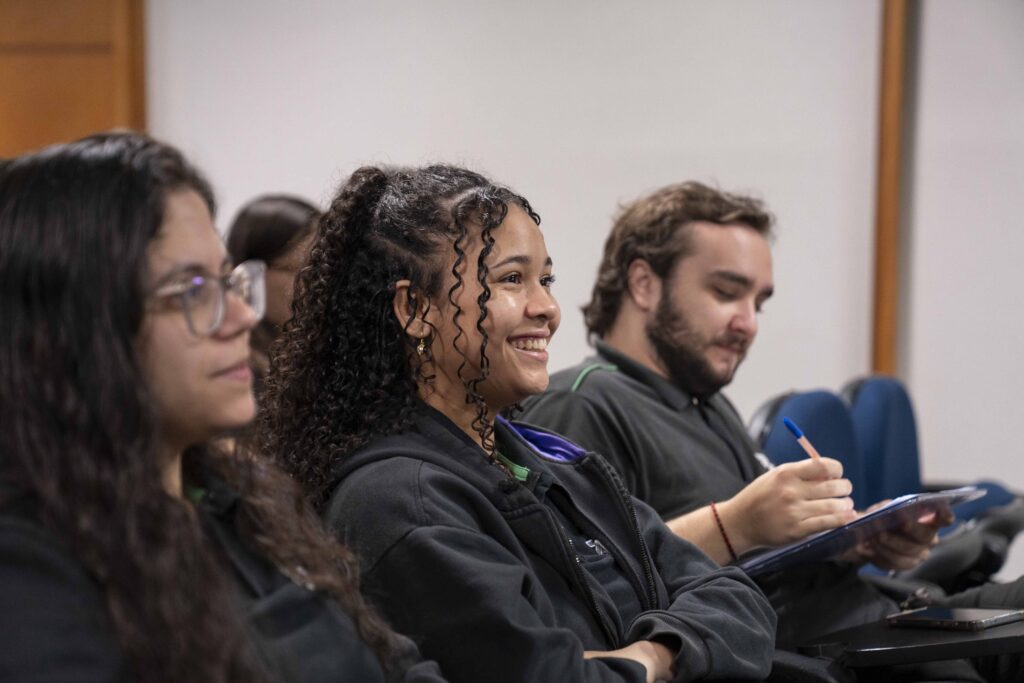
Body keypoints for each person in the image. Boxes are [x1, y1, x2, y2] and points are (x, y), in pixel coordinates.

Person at [258, 165, 777, 683]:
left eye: (544, 280)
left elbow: (739, 601)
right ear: (416, 308)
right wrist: (668, 653)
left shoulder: (549, 458)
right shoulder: (400, 502)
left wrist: (657, 655)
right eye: (511, 279)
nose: (548, 308)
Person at [518, 180, 1022, 681]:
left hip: (885, 616)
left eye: (758, 302)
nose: (748, 322)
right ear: (644, 284)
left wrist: (854, 543)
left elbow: (764, 560)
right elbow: (592, 591)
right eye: (726, 292)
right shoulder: (579, 405)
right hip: (820, 655)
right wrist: (735, 523)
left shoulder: (708, 405)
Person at [0, 133, 443, 683]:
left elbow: (396, 666)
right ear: (73, 324)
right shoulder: (28, 574)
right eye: (191, 290)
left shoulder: (242, 500)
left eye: (229, 281)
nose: (238, 316)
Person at [227, 194, 319, 387]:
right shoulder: (237, 375)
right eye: (303, 270)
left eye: (323, 269)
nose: (318, 284)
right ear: (249, 275)